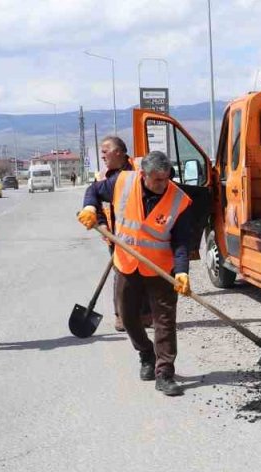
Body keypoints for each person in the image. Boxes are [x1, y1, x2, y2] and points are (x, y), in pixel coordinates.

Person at [78, 151, 193, 397]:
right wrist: (91, 209)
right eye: (157, 180)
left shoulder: (178, 200)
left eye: (166, 178)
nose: (163, 184)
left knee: (164, 321)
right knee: (128, 317)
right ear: (143, 175)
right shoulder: (122, 182)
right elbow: (94, 191)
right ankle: (146, 354)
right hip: (127, 263)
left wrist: (182, 272)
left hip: (161, 270)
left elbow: (182, 242)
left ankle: (164, 373)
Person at [83, 136, 150, 332]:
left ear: (119, 152)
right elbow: (98, 200)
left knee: (146, 274)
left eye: (105, 151)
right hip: (116, 235)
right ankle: (122, 316)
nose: (102, 156)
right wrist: (100, 223)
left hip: (145, 235)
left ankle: (146, 315)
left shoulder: (139, 167)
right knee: (122, 275)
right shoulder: (103, 176)